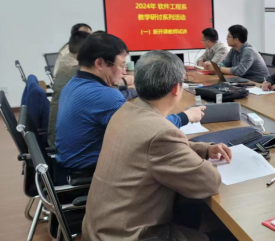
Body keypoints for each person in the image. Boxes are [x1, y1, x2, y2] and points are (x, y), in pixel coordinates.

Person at [83, 50, 240, 241]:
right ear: (177, 88)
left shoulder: (127, 110)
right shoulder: (160, 132)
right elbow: (209, 184)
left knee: (189, 209)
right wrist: (202, 161)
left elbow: (151, 150)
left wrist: (204, 149)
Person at [55, 33, 204, 175]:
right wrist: (185, 116)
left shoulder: (73, 84)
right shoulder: (104, 95)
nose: (123, 72)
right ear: (99, 63)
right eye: (121, 65)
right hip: (90, 170)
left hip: (68, 164)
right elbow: (149, 131)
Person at [204, 25, 270, 82]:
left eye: (228, 37)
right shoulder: (233, 50)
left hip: (258, 84)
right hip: (243, 81)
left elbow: (239, 71)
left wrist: (218, 68)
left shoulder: (248, 51)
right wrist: (215, 66)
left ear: (236, 40)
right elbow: (225, 63)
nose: (226, 39)